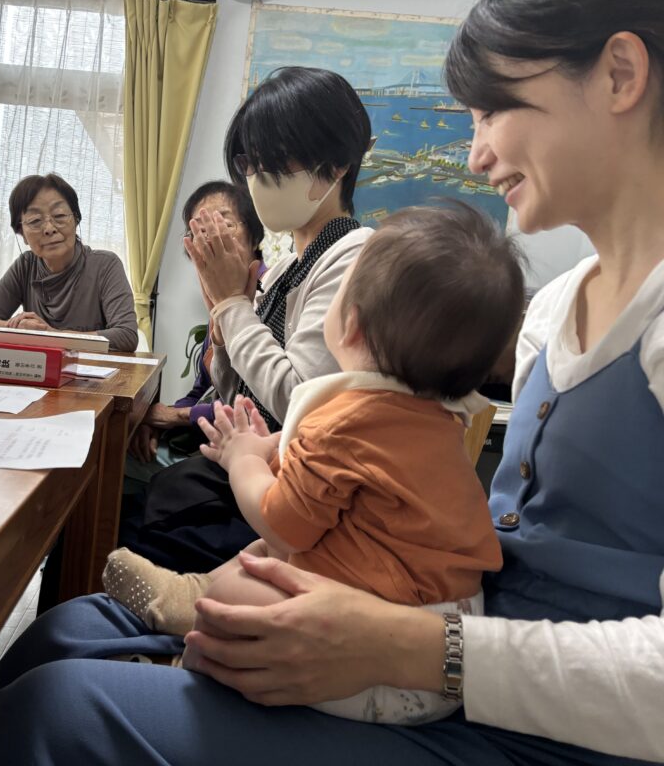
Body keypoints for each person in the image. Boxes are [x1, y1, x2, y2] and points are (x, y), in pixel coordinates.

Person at [0, 0, 664, 764]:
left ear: (618, 75)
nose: (477, 155)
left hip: (533, 724)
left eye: (493, 110)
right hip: (441, 639)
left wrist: (411, 646)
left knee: (58, 710)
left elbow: (348, 418)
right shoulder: (555, 302)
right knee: (74, 626)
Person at [104, 203, 523, 725]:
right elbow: (340, 477)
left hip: (381, 665)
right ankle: (187, 596)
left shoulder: (345, 419)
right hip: (446, 640)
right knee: (264, 554)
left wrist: (242, 461)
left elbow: (285, 520)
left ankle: (186, 661)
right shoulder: (431, 416)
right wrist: (270, 451)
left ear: (349, 324)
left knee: (252, 572)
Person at [124, 67, 376, 574]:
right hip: (255, 464)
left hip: (297, 489)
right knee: (129, 492)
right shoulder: (287, 266)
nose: (258, 178)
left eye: (276, 161)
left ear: (338, 165)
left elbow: (297, 399)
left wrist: (231, 306)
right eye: (251, 162)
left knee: (145, 506)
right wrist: (222, 318)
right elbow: (233, 393)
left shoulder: (356, 256)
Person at [128, 180, 265, 471]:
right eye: (200, 232)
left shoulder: (270, 296)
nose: (212, 240)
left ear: (254, 236)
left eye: (223, 226)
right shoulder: (219, 299)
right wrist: (159, 421)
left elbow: (257, 403)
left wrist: (177, 416)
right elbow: (202, 389)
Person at [0, 173, 138, 352]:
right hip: (39, 373)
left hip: (93, 376)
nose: (49, 229)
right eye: (35, 221)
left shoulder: (105, 265)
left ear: (76, 220)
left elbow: (126, 336)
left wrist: (51, 335)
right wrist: (18, 328)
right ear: (22, 234)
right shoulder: (26, 265)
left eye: (59, 215)